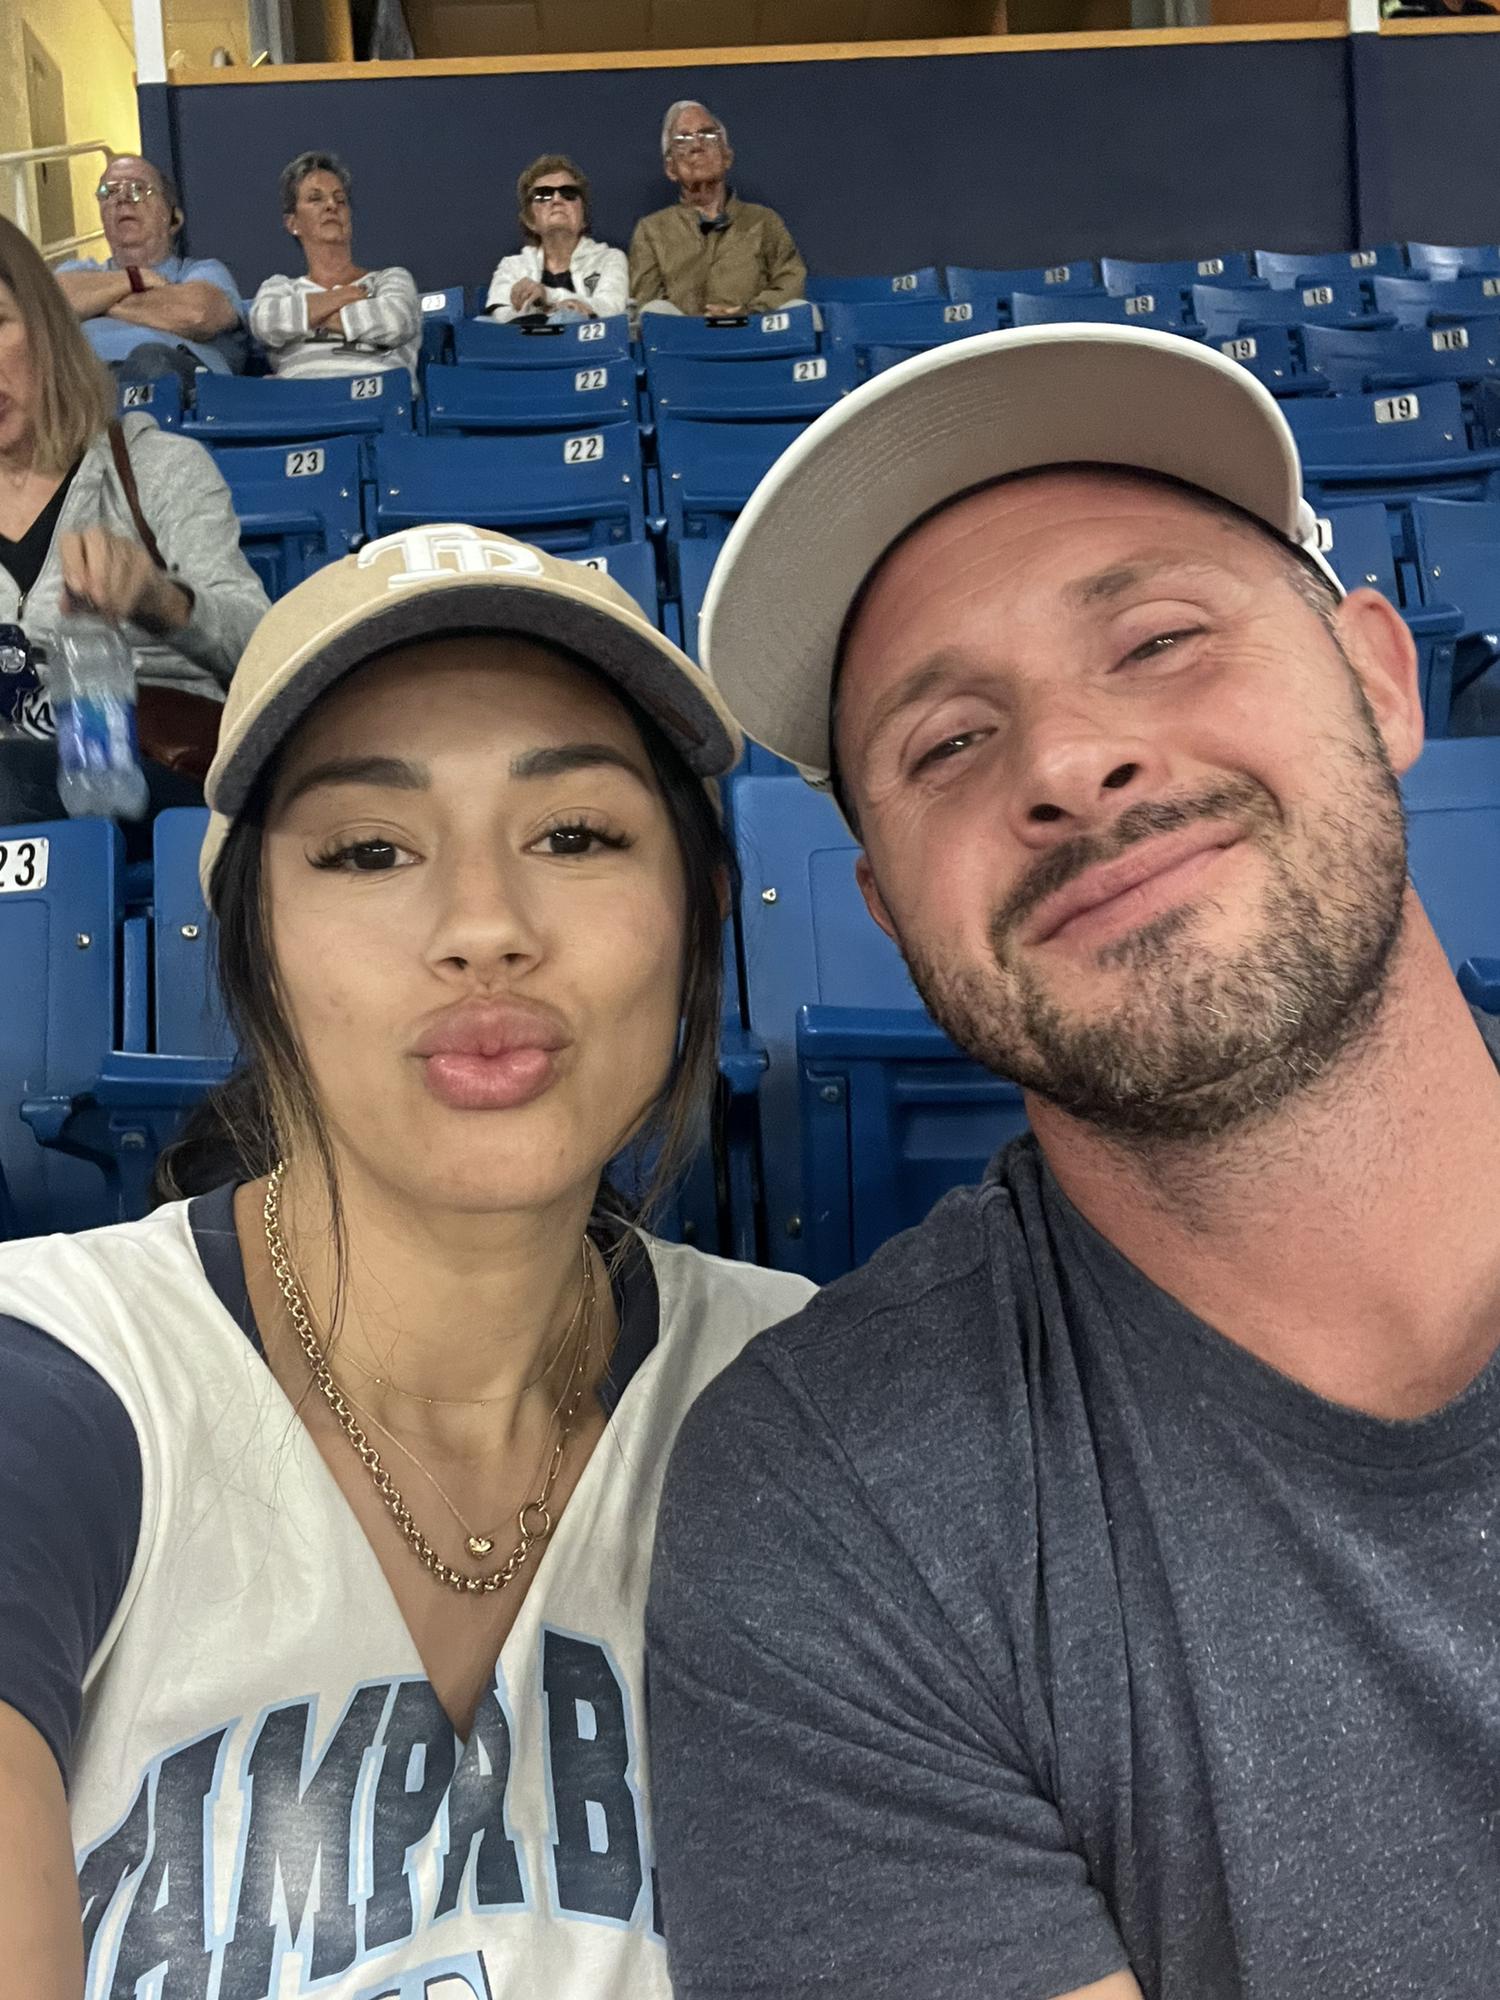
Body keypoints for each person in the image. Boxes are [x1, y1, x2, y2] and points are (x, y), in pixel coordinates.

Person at [648, 324, 1500, 1998]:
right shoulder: (832, 1504)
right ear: (889, 912)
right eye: (949, 744)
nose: (1066, 763)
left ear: (1381, 681)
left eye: (1161, 639)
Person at [0, 520, 812, 1995]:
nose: (484, 928)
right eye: (368, 851)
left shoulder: (819, 1400)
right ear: (253, 951)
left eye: (575, 836)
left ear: (696, 923)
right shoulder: (56, 1381)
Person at [0, 215, 267, 830]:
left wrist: (160, 600)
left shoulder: (155, 469)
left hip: (144, 776)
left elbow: (265, 649)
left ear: (44, 331)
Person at [53, 155, 246, 382]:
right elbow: (49, 304)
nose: (123, 199)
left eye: (138, 189)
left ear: (173, 217)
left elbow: (196, 314)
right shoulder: (78, 269)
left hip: (170, 386)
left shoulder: (203, 272)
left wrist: (95, 303)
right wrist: (136, 279)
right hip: (82, 385)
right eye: (110, 192)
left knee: (149, 358)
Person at [249, 151, 423, 381]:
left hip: (378, 404)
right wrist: (344, 296)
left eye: (340, 199)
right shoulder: (280, 287)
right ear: (292, 223)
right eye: (315, 198)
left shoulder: (390, 279)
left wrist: (309, 318)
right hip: (300, 407)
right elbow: (265, 323)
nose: (331, 205)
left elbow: (394, 321)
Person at [629, 102, 806, 318]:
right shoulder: (651, 230)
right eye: (682, 140)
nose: (696, 146)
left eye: (707, 135)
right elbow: (645, 301)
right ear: (670, 168)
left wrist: (748, 313)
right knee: (653, 311)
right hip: (684, 342)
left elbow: (791, 282)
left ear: (727, 156)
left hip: (752, 333)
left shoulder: (764, 221)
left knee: (799, 309)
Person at [484, 154, 628, 323]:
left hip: (588, 348)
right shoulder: (512, 267)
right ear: (530, 220)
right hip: (526, 347)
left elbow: (611, 309)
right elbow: (499, 318)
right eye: (543, 195)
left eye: (568, 193)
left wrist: (548, 295)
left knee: (569, 319)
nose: (557, 199)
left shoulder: (609, 259)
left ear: (583, 217)